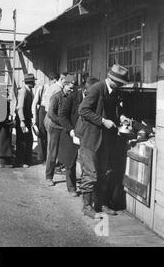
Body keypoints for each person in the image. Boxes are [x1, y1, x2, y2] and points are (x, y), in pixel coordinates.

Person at [77, 64, 128, 218]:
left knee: (104, 173)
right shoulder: (97, 88)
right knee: (90, 174)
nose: (120, 86)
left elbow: (114, 111)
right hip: (91, 140)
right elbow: (83, 110)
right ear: (111, 79)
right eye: (118, 83)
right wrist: (102, 121)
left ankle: (101, 204)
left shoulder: (114, 92)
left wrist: (121, 116)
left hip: (105, 141)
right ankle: (87, 207)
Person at [58, 76, 99, 197]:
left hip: (87, 135)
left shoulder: (96, 98)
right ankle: (71, 187)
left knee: (86, 162)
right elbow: (62, 115)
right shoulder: (72, 97)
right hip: (72, 134)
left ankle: (85, 186)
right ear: (84, 89)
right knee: (70, 162)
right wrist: (70, 130)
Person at [45, 74, 75, 186]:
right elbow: (50, 113)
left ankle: (70, 183)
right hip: (56, 128)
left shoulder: (72, 97)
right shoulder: (57, 97)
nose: (71, 90)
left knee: (67, 154)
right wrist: (62, 122)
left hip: (66, 129)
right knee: (53, 153)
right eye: (70, 88)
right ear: (64, 85)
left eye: (73, 88)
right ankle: (49, 176)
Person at [32, 73, 57, 163]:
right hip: (42, 111)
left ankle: (49, 158)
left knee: (50, 134)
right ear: (52, 79)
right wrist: (34, 119)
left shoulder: (56, 89)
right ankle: (41, 157)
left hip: (52, 110)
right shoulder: (42, 88)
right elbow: (34, 103)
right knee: (42, 134)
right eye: (54, 81)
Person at [15, 73, 36, 168]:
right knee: (22, 141)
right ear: (31, 82)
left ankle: (27, 159)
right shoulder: (23, 91)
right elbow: (20, 107)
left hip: (27, 119)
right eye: (34, 81)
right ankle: (20, 161)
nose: (35, 83)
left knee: (28, 140)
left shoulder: (29, 91)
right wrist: (22, 121)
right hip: (22, 120)